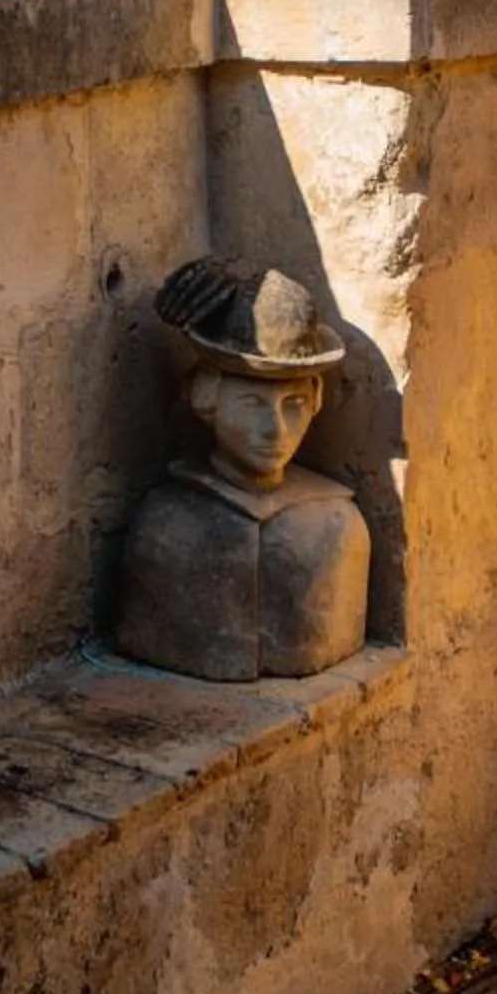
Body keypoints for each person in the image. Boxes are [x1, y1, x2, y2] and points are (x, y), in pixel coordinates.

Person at [114, 259, 370, 681]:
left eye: (294, 405)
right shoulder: (169, 525)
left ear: (316, 400)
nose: (275, 430)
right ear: (206, 397)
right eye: (252, 404)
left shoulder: (339, 526)